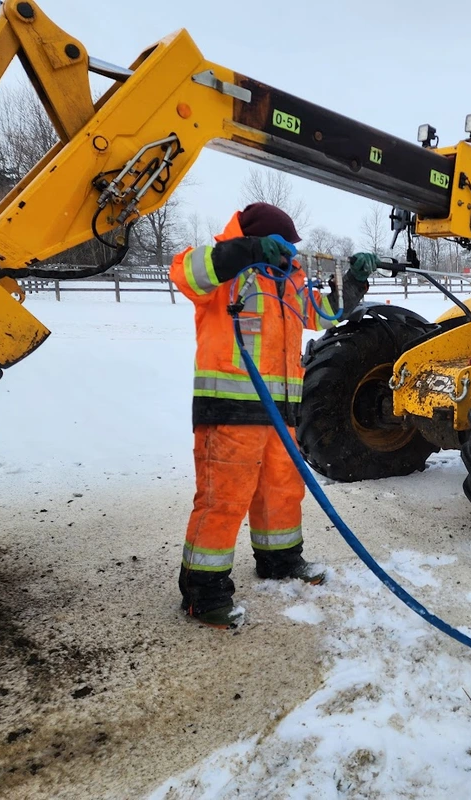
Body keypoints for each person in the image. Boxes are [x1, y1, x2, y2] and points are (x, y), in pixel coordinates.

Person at [169, 201, 375, 628]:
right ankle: (203, 592)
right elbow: (187, 275)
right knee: (223, 500)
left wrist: (355, 280)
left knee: (281, 492)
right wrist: (245, 253)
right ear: (255, 240)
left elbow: (328, 312)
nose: (290, 253)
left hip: (281, 414)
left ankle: (280, 560)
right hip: (230, 412)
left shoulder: (289, 283)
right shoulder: (222, 274)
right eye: (282, 245)